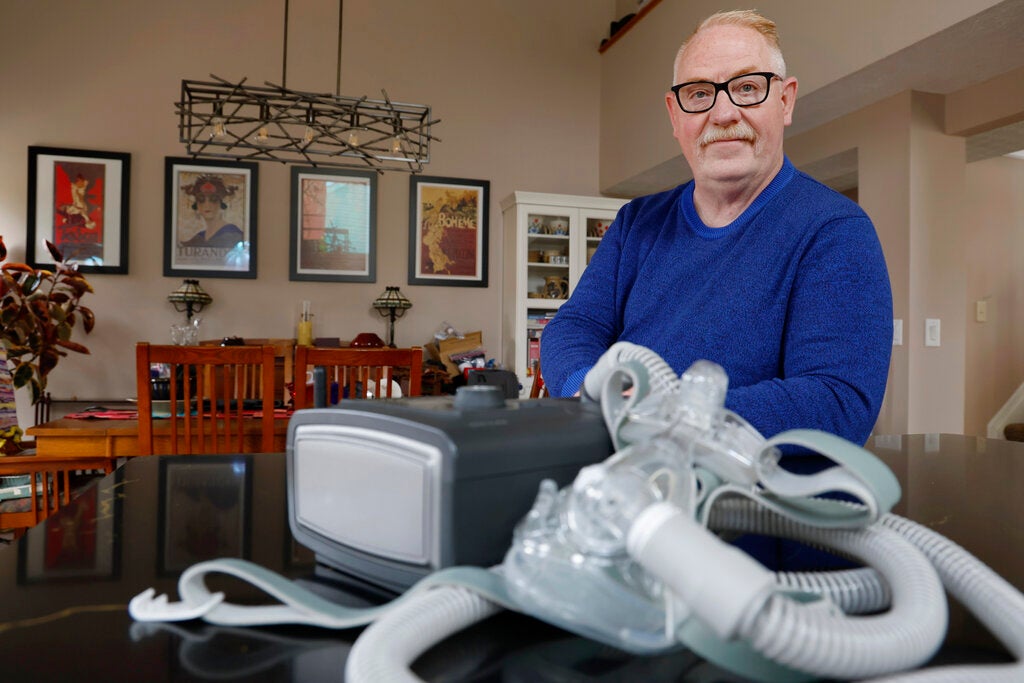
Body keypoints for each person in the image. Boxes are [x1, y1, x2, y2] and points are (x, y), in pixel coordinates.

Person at [539, 9, 893, 447]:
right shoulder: (636, 223)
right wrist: (590, 392)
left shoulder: (834, 232)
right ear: (675, 114)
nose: (723, 113)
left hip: (743, 504)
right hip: (622, 485)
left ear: (784, 101)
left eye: (747, 88)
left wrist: (662, 418)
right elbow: (572, 328)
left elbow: (837, 400)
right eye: (699, 93)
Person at [180, 175, 244, 248]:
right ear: (196, 205)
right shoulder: (199, 237)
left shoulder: (233, 234)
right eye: (201, 200)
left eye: (213, 199)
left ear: (221, 203)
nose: (207, 205)